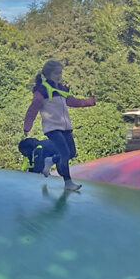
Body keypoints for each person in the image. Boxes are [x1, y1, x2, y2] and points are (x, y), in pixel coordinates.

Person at [22, 59, 96, 191]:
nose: (59, 76)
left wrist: (89, 102)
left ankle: (50, 161)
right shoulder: (43, 90)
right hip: (52, 128)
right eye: (56, 73)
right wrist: (27, 125)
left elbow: (73, 101)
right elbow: (33, 108)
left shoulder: (61, 89)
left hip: (65, 127)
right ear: (48, 74)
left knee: (72, 153)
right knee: (65, 152)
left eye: (60, 73)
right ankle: (68, 182)